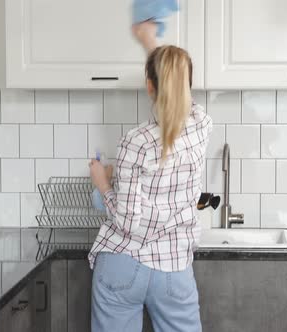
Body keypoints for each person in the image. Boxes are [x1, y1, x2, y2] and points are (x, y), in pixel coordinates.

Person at [88, 45, 212, 332]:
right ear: (186, 85)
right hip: (174, 266)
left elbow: (129, 222)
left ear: (149, 86)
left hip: (123, 261)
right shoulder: (201, 126)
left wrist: (103, 183)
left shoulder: (135, 142)